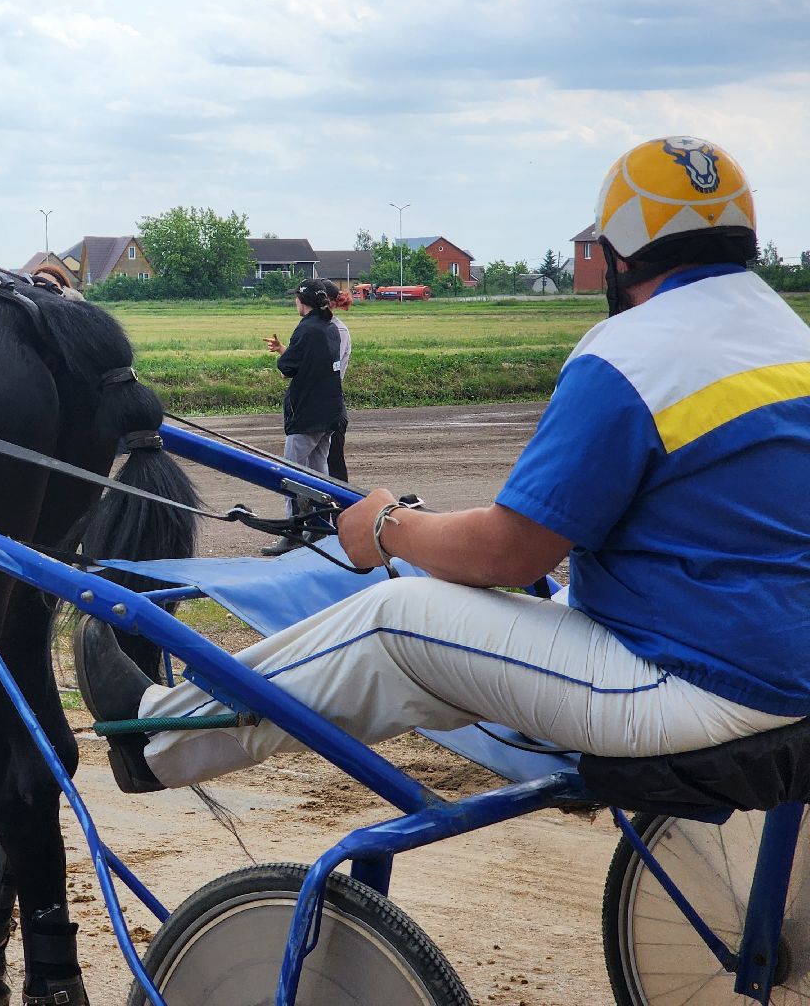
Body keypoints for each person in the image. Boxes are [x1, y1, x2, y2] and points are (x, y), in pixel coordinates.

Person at [78, 136, 810, 795]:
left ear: (620, 253)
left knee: (393, 618)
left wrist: (389, 528)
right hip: (780, 662)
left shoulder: (631, 353)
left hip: (696, 684)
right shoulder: (790, 337)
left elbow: (507, 551)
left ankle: (159, 739)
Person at [259, 279, 347, 555]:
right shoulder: (330, 328)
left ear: (303, 301)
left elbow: (287, 369)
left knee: (290, 474)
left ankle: (294, 532)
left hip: (306, 413)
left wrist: (282, 357)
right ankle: (321, 528)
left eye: (296, 299)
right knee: (320, 473)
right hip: (330, 411)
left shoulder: (306, 329)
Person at [326, 281, 353, 482]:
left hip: (331, 401)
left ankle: (343, 511)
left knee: (333, 465)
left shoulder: (338, 331)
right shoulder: (320, 327)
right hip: (321, 400)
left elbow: (328, 365)